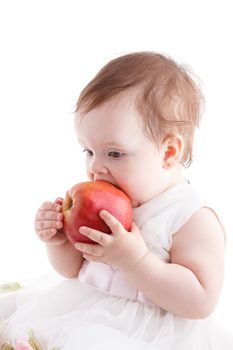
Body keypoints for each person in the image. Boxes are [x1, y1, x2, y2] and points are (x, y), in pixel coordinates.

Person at [1, 52, 232, 349]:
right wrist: (58, 241)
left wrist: (135, 261)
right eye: (88, 151)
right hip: (80, 310)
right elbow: (73, 270)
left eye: (114, 153)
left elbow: (201, 301)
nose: (95, 167)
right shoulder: (101, 201)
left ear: (169, 152)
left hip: (144, 334)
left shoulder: (190, 217)